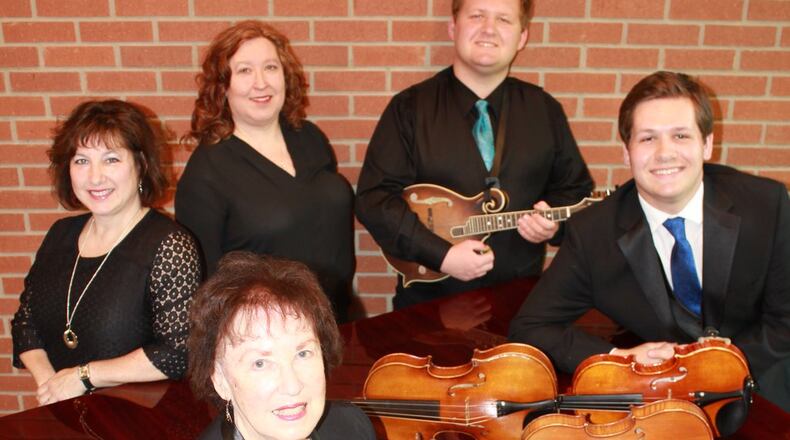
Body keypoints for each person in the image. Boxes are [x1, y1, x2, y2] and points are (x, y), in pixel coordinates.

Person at [509, 71, 790, 411]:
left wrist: (719, 369)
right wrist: (620, 359)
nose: (664, 153)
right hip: (661, 399)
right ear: (627, 153)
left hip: (760, 381)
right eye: (647, 139)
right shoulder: (593, 232)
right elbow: (530, 326)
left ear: (707, 144)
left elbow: (784, 320)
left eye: (681, 135)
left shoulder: (767, 205)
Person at [355, 0, 593, 309]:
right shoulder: (409, 109)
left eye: (504, 20)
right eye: (477, 16)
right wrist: (442, 256)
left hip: (522, 306)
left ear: (522, 37)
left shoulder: (545, 110)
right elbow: (374, 200)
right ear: (453, 27)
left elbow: (577, 193)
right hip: (428, 309)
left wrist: (555, 225)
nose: (489, 29)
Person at [11, 100, 203, 405]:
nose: (95, 177)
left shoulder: (170, 245)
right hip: (66, 413)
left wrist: (83, 377)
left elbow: (178, 353)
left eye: (111, 159)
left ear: (140, 165)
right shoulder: (60, 234)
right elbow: (25, 322)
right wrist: (51, 385)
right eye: (82, 161)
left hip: (141, 423)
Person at [176, 20, 355, 322]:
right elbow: (204, 284)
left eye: (270, 68)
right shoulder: (206, 172)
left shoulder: (309, 137)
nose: (261, 83)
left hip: (339, 319)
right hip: (267, 337)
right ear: (223, 85)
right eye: (245, 70)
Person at [188, 251, 375, 440]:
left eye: (303, 353)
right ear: (220, 380)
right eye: (260, 363)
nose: (292, 386)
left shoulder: (352, 427)